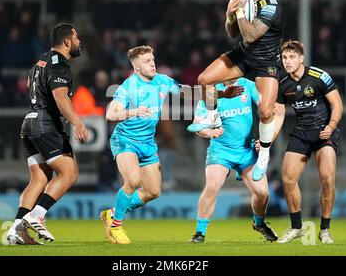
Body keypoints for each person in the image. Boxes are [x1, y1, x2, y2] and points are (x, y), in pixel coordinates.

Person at [100, 45, 243, 245]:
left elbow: (191, 93)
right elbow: (111, 114)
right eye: (147, 62)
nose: (152, 64)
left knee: (153, 192)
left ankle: (113, 213)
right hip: (126, 140)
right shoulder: (128, 87)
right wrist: (133, 112)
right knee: (132, 181)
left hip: (148, 143)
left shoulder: (163, 81)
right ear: (136, 66)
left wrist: (222, 95)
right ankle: (115, 226)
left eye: (152, 59)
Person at [190, 0, 283, 182]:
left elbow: (251, 35)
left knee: (266, 111)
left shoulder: (271, 6)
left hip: (266, 61)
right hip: (244, 54)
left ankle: (264, 154)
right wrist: (229, 14)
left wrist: (240, 10)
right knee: (204, 79)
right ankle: (212, 117)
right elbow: (234, 33)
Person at [6, 23, 88, 245]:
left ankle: (15, 230)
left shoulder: (40, 62)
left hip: (30, 123)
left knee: (39, 179)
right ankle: (36, 216)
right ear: (67, 41)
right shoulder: (59, 64)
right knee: (69, 172)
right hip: (46, 124)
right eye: (76, 37)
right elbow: (61, 97)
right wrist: (77, 122)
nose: (79, 41)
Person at [189, 78, 278, 243]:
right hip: (221, 150)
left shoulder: (247, 85)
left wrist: (265, 139)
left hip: (247, 150)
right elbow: (197, 125)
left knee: (262, 193)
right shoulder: (212, 91)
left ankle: (258, 223)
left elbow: (266, 107)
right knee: (212, 186)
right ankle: (199, 233)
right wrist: (210, 133)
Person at [273, 40, 343, 244]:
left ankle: (325, 229)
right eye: (285, 57)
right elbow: (279, 115)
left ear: (301, 58)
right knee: (287, 180)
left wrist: (330, 126)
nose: (288, 61)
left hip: (324, 133)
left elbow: (337, 104)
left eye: (292, 57)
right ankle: (296, 227)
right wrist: (267, 140)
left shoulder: (319, 77)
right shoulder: (282, 83)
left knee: (327, 179)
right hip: (301, 133)